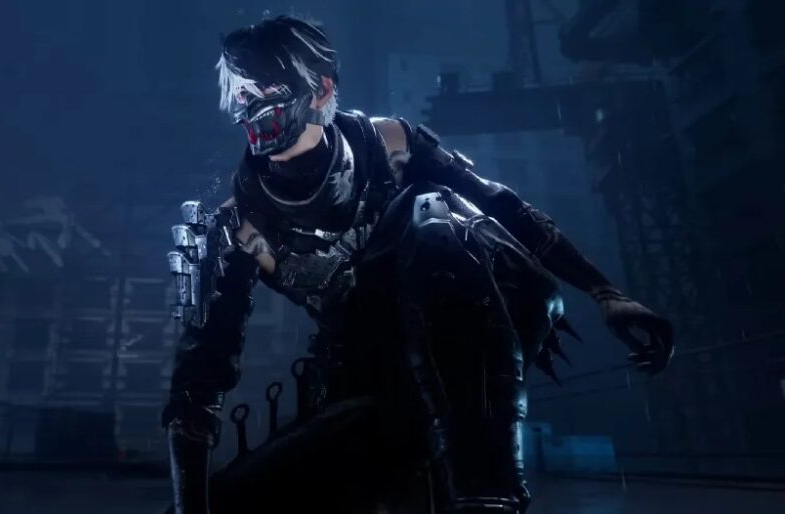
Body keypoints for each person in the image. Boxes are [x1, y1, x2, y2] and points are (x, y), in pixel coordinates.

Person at [163, 15, 673, 514]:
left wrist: (605, 293)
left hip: (491, 309)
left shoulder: (390, 145)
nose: (247, 109)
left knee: (432, 209)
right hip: (372, 384)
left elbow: (502, 206)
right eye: (240, 95)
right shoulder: (237, 228)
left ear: (320, 90)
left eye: (265, 91)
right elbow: (197, 388)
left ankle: (486, 493)